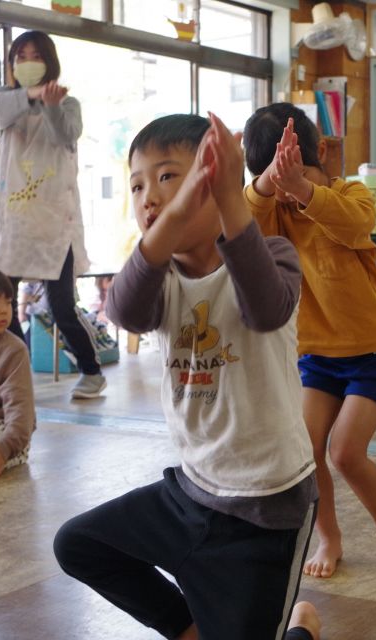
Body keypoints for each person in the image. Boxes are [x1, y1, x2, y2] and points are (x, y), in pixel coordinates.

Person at [53, 112, 319, 640]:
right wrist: (172, 217)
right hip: (190, 494)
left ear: (219, 184)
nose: (149, 196)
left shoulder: (272, 255)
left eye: (169, 176)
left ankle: (302, 628)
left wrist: (229, 201)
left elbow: (264, 309)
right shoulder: (159, 280)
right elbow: (125, 312)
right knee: (77, 543)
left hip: (266, 511)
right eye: (137, 184)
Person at [243, 103, 376, 579]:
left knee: (345, 452)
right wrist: (266, 186)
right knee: (307, 451)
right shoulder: (273, 213)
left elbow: (354, 225)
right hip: (318, 356)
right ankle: (330, 537)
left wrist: (301, 186)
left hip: (375, 351)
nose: (285, 192)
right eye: (273, 181)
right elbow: (243, 222)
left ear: (320, 153)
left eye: (298, 174)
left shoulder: (349, 194)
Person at [0, 30, 106, 399]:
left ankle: (91, 370)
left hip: (56, 224)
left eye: (35, 55)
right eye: (20, 55)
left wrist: (51, 103)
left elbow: (66, 134)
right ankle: (15, 372)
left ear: (50, 62)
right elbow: (1, 113)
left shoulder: (68, 104)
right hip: (14, 224)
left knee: (61, 307)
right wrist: (30, 95)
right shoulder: (6, 99)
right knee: (3, 307)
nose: (27, 62)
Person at [0, 269, 35, 478]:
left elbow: (21, 411)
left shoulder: (14, 350)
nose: (3, 311)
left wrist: (4, 447)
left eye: (8, 302)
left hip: (8, 436)